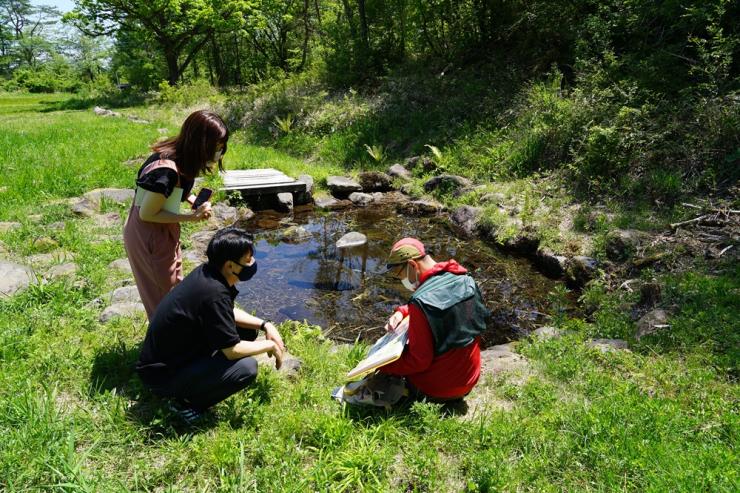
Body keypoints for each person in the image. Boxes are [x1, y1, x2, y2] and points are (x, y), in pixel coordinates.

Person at [136, 227, 285, 424]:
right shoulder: (214, 293)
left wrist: (266, 325)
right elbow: (232, 351)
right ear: (230, 265)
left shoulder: (208, 274)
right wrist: (269, 345)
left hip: (172, 358)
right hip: (163, 377)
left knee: (246, 330)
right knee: (246, 368)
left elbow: (226, 313)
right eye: (248, 259)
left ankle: (202, 375)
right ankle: (187, 404)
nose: (253, 263)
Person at [123, 110, 229, 319]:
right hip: (150, 234)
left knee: (174, 287)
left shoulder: (177, 157)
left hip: (161, 230)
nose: (219, 152)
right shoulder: (166, 171)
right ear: (200, 143)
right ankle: (166, 344)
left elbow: (167, 193)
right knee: (166, 296)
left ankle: (174, 337)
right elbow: (148, 213)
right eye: (216, 147)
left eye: (221, 147)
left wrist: (191, 200)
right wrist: (192, 218)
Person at [378, 237, 490, 402]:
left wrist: (382, 366)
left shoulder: (420, 302)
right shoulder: (465, 280)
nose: (401, 281)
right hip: (469, 380)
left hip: (437, 389)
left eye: (399, 274)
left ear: (412, 265)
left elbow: (418, 361)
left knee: (396, 363)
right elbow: (443, 304)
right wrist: (402, 311)